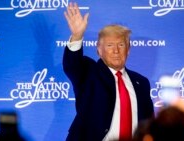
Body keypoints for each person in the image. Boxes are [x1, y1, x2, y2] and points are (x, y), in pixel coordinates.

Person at [63, 2, 154, 141]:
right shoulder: (89, 72)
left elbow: (149, 124)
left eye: (121, 45)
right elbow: (72, 65)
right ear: (99, 50)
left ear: (128, 50)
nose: (116, 50)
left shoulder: (141, 82)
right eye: (110, 45)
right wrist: (77, 36)